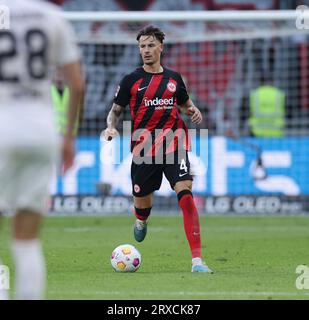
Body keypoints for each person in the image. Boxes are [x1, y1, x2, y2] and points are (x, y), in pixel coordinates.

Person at [103, 25, 213, 273]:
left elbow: (185, 104)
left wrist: (193, 110)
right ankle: (141, 221)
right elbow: (115, 111)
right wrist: (111, 127)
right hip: (144, 150)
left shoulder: (173, 78)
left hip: (174, 144)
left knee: (185, 194)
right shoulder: (131, 80)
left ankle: (197, 260)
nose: (146, 50)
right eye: (142, 46)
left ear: (161, 47)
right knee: (142, 205)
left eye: (151, 45)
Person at [0, 0, 84, 300]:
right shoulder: (52, 17)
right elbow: (76, 83)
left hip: (2, 127)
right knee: (26, 239)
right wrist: (69, 138)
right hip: (41, 132)